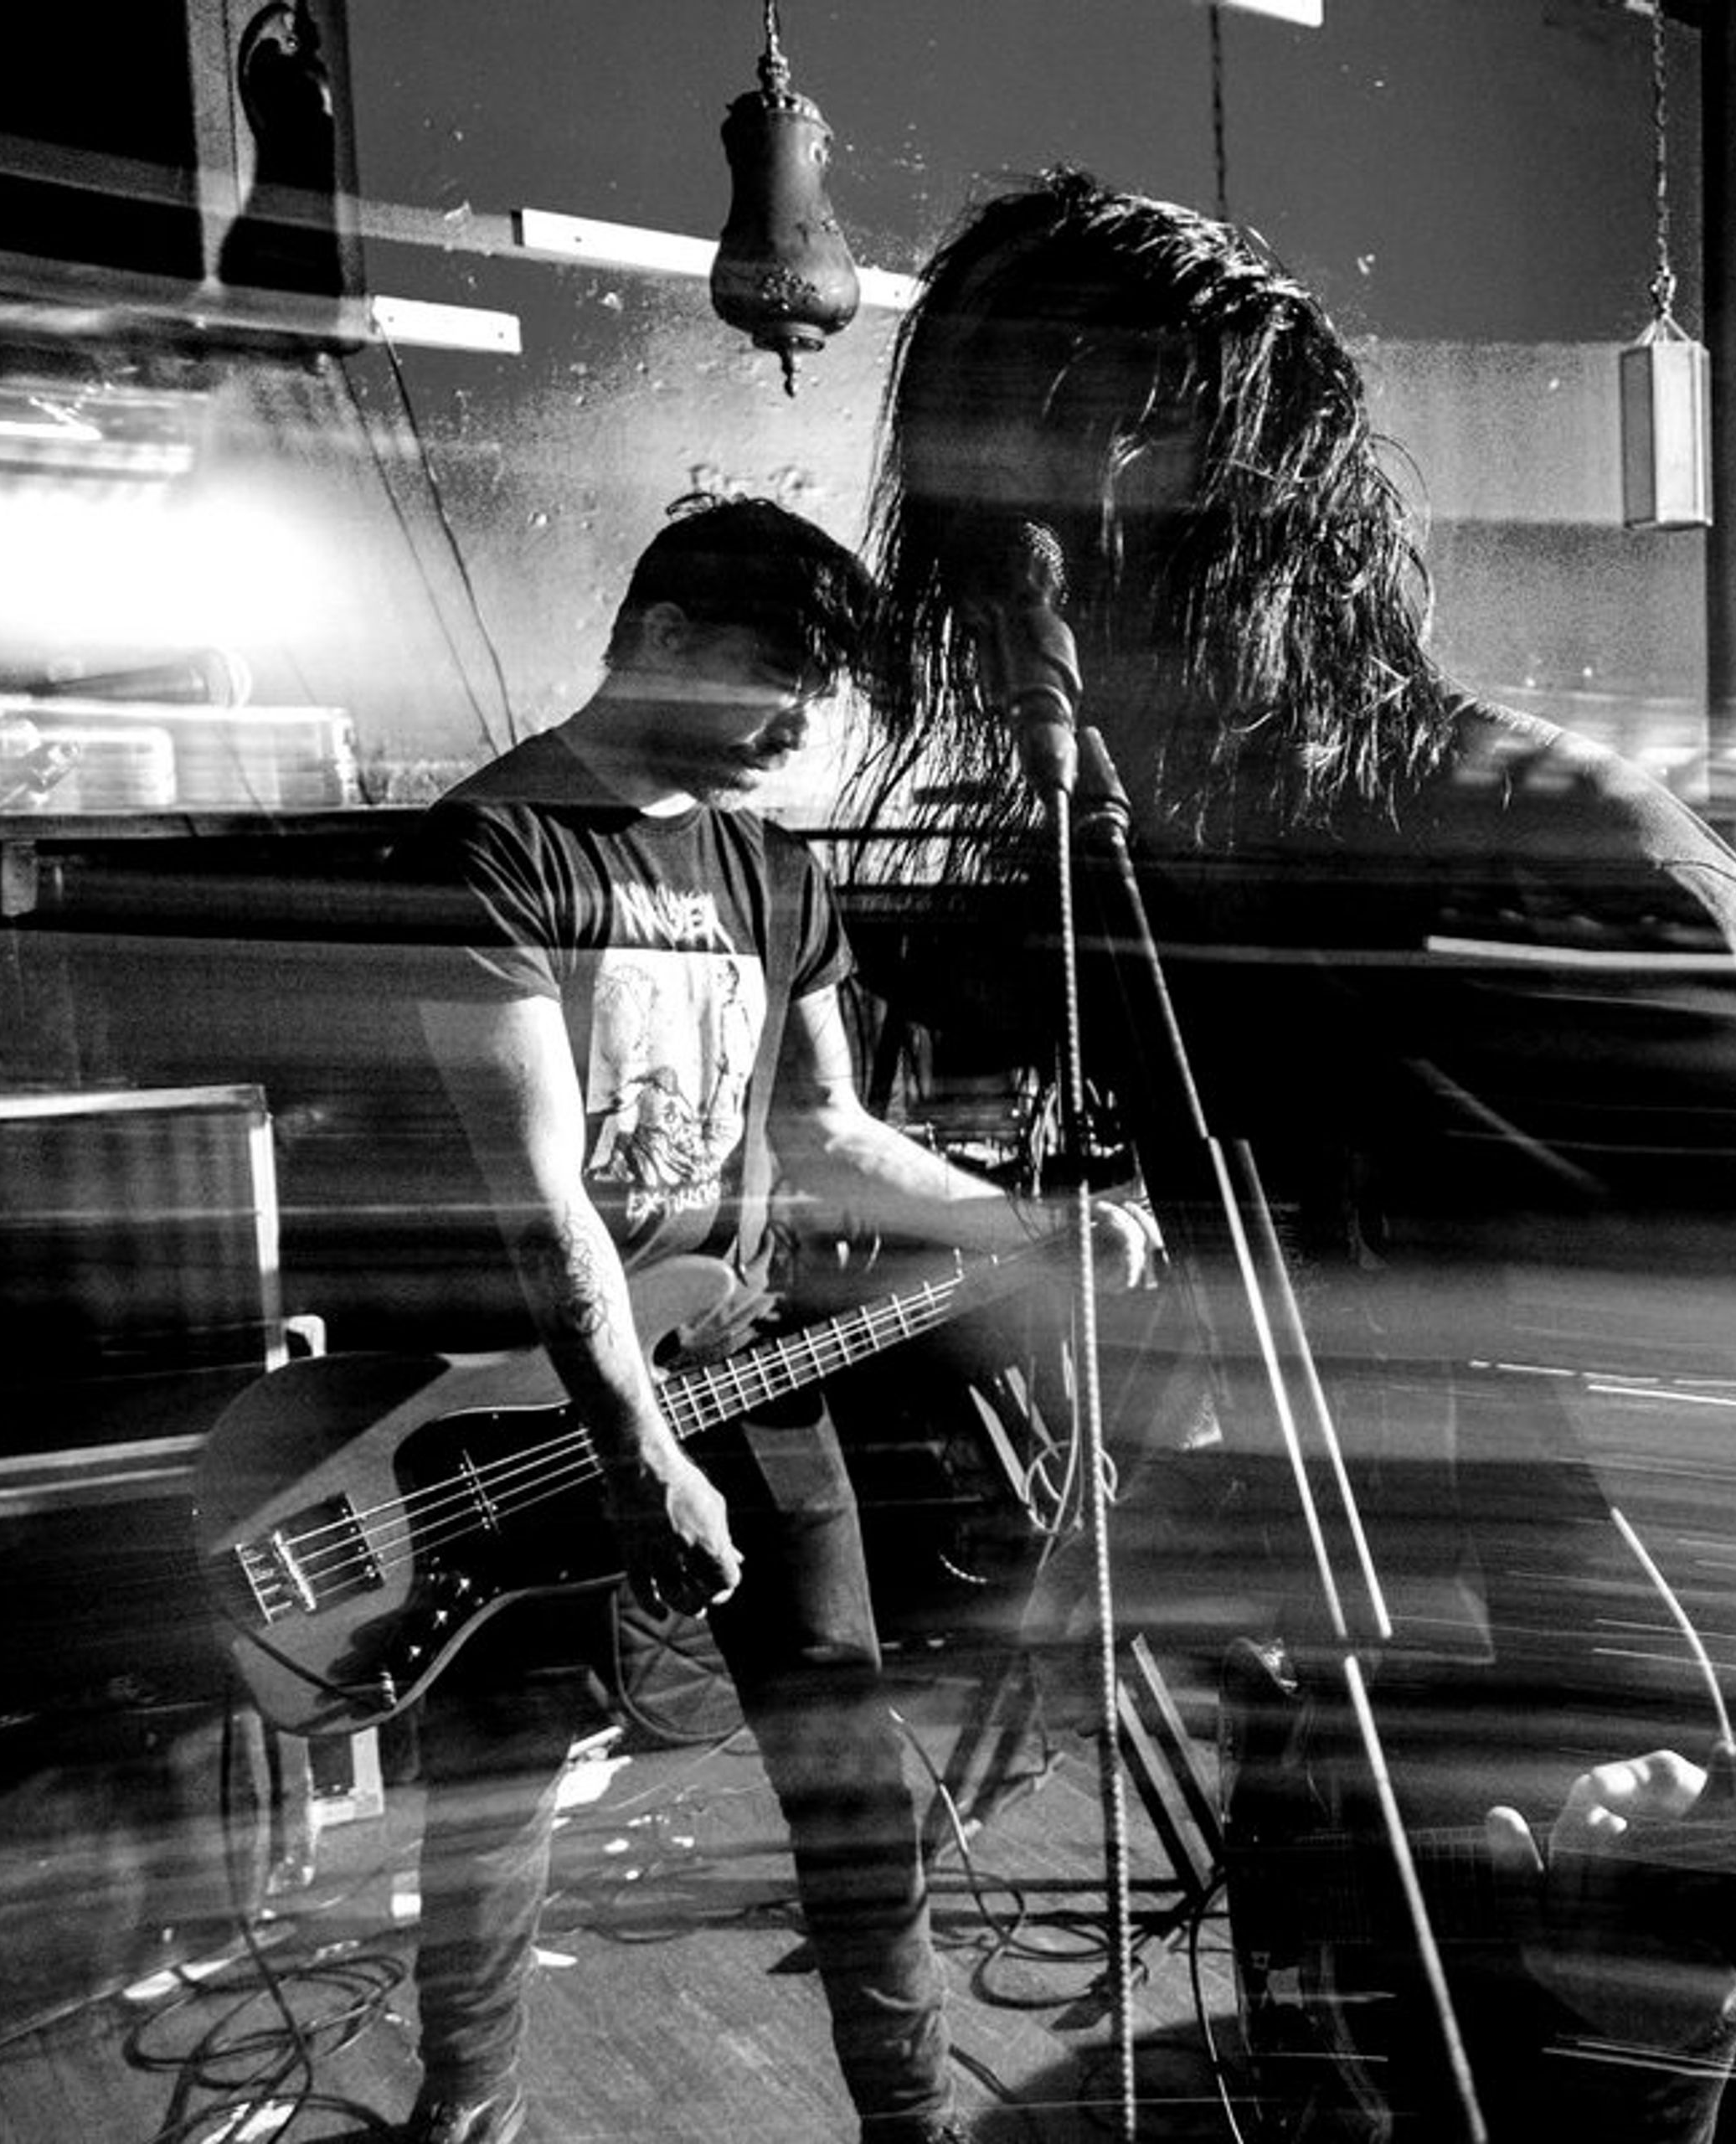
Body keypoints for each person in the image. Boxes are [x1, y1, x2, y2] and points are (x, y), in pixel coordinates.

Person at [847, 170, 1736, 2141]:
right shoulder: (1149, 891)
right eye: (993, 571)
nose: (1035, 635)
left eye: (1088, 562)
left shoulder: (1590, 885)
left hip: (1627, 1812)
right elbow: (1302, 1302)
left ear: (1252, 544)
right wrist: (1126, 1521)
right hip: (1338, 1763)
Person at [387, 493, 1120, 2144]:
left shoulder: (775, 871)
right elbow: (544, 1194)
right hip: (526, 1405)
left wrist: (1028, 1223)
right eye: (777, 680)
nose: (801, 730)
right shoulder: (494, 848)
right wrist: (633, 1451)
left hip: (742, 1367)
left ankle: (911, 2120)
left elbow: (832, 1129)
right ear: (659, 636)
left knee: (850, 1771)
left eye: (820, 697)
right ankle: (470, 2107)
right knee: (501, 1791)